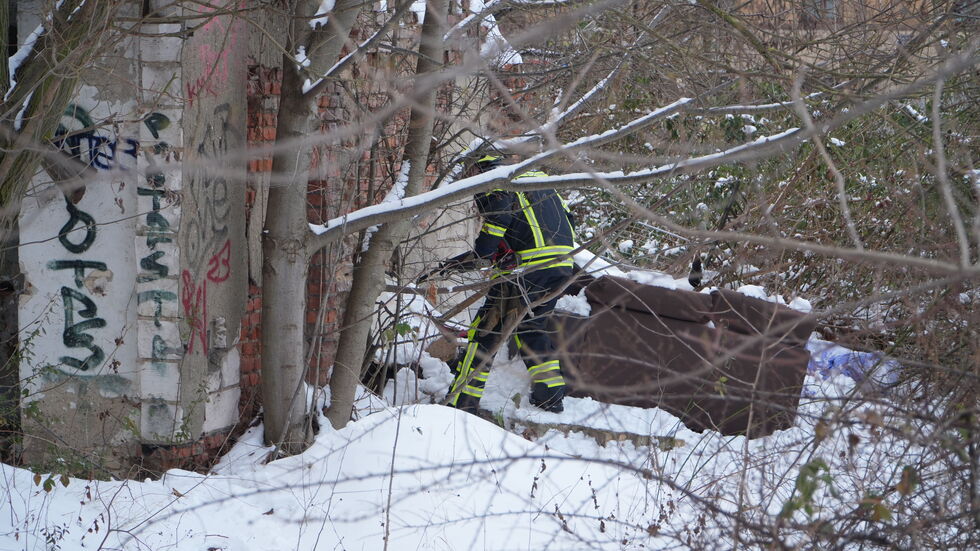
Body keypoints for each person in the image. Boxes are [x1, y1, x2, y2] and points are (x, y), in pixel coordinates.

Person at [445, 155, 577, 414]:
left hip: (525, 270)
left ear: (480, 167)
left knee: (485, 332)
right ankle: (550, 397)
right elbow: (568, 220)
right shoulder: (538, 179)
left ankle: (462, 401)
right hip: (561, 266)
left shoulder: (496, 183)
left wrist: (473, 258)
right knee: (531, 327)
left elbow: (491, 237)